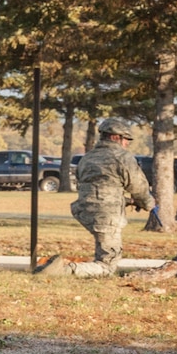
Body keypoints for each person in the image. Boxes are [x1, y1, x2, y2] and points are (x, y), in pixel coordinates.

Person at [37, 118, 153, 278]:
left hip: (84, 210)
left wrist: (127, 201)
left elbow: (98, 188)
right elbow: (138, 187)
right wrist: (148, 203)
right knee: (107, 266)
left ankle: (52, 267)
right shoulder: (122, 157)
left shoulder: (87, 157)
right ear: (115, 137)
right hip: (106, 216)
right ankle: (63, 270)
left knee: (103, 249)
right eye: (126, 139)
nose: (127, 143)